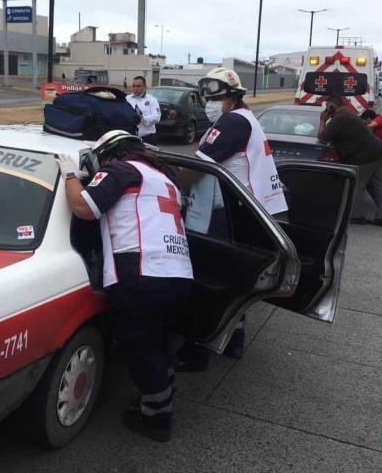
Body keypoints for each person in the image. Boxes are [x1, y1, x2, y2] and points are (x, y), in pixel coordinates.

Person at [56, 130, 193, 443]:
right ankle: (161, 398)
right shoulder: (164, 179)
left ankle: (157, 419)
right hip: (179, 274)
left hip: (141, 275)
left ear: (111, 154)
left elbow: (82, 207)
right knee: (157, 343)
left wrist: (70, 175)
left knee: (141, 349)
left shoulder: (120, 170)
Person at [176, 67, 288, 371]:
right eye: (208, 98)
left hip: (225, 212)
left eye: (218, 98)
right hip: (246, 211)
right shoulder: (247, 119)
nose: (212, 104)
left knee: (205, 279)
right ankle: (232, 340)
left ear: (232, 98)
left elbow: (196, 168)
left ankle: (197, 349)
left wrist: (170, 185)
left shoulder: (233, 122)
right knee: (231, 278)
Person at [318, 95, 382, 227]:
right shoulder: (347, 114)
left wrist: (322, 120)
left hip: (364, 156)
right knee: (376, 185)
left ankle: (358, 216)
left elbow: (323, 138)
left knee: (355, 184)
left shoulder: (339, 119)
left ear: (331, 107)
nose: (325, 109)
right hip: (378, 151)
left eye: (326, 106)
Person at [126, 76, 161, 145]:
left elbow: (157, 117)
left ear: (145, 87)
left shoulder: (152, 100)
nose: (135, 88)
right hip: (131, 138)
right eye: (133, 86)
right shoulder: (127, 99)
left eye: (138, 86)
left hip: (148, 138)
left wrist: (142, 118)